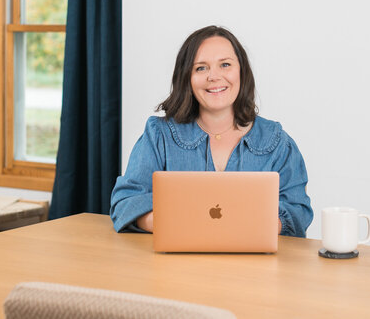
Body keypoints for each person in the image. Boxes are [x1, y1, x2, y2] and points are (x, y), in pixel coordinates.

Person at [110, 25, 313, 237]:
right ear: (187, 78)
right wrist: (191, 225)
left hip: (253, 257)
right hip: (177, 256)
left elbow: (297, 214)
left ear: (241, 71)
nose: (214, 76)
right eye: (201, 68)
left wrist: (242, 229)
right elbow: (125, 203)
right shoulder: (158, 135)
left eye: (225, 64)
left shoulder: (277, 141)